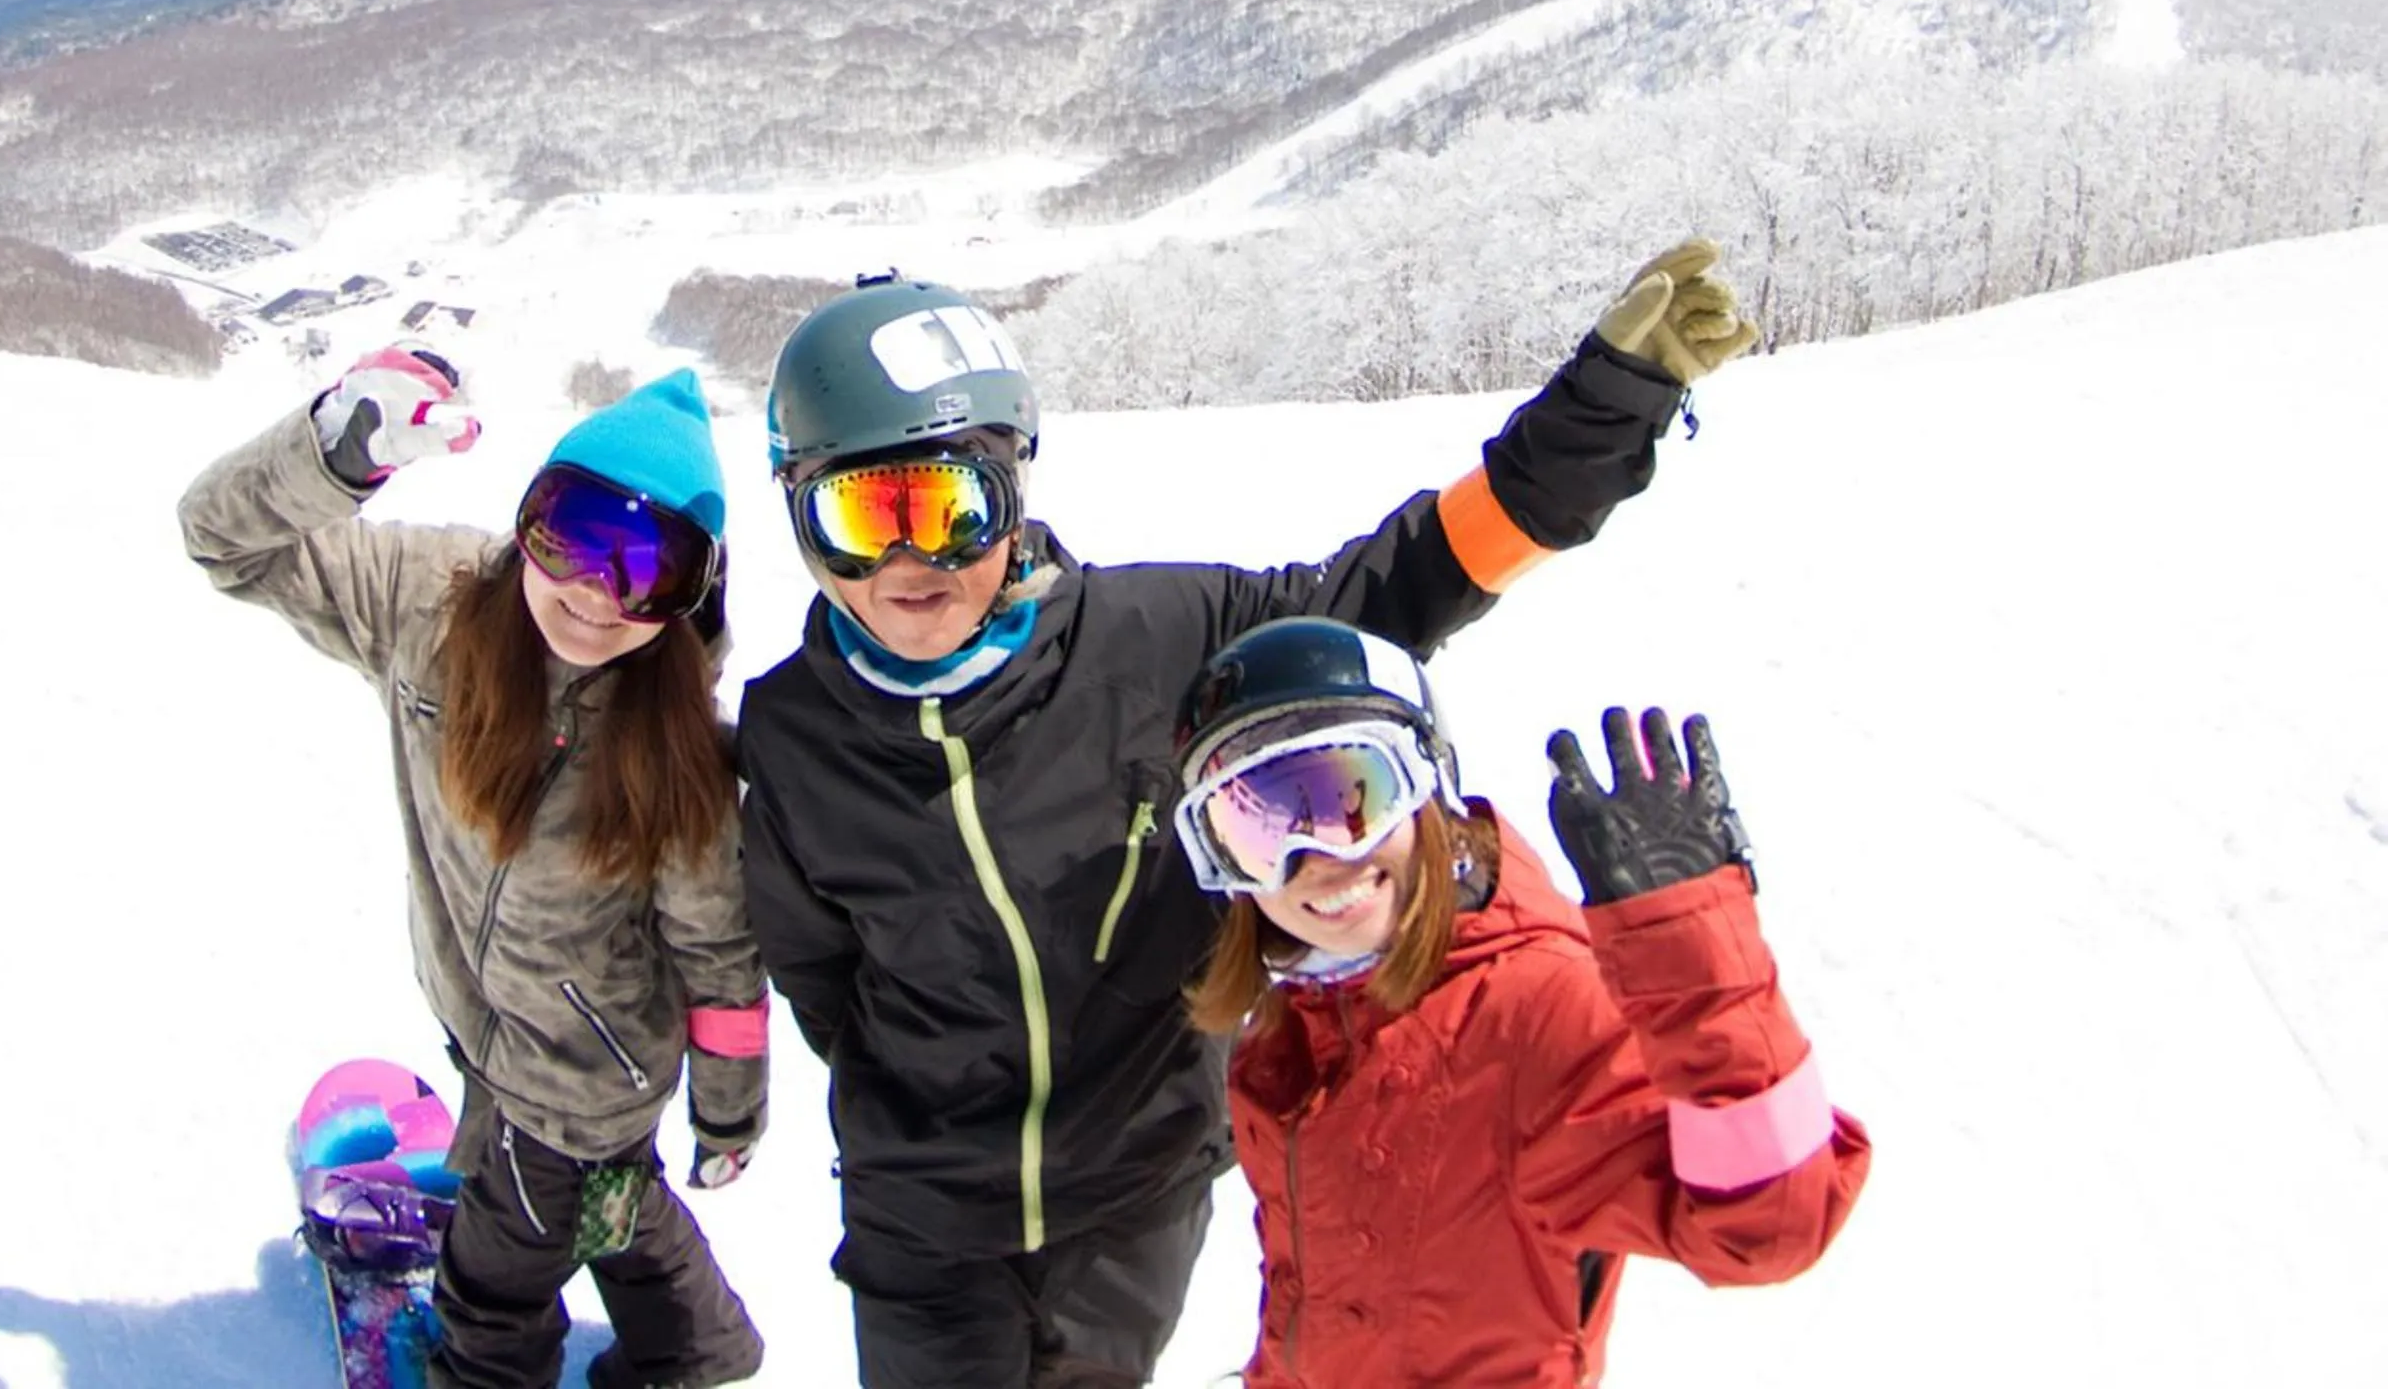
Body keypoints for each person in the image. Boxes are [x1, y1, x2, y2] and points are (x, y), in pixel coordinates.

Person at [736, 242, 1756, 1389]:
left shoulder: (1168, 640)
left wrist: (1602, 410)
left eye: (953, 507)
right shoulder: (792, 732)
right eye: (863, 518)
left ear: (1016, 494)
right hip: (921, 1216)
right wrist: (912, 1099)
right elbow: (817, 970)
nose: (912, 561)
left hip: (1135, 1195)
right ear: (800, 522)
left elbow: (1410, 581)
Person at [181, 349, 769, 1389]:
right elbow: (221, 536)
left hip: (573, 1087)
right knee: (613, 1207)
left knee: (495, 1284)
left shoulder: (680, 750)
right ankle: (700, 1352)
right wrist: (337, 450)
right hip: (490, 1032)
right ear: (526, 520)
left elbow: (719, 953)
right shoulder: (431, 609)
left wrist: (730, 1111)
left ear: (693, 592)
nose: (597, 594)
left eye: (649, 570)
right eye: (574, 537)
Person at [1176, 616, 1871, 1388]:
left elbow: (1774, 1225)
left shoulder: (1535, 1013)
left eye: (1353, 800)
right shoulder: (1294, 1028)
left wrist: (1695, 951)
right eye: (1256, 826)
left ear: (1429, 784)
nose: (1315, 861)